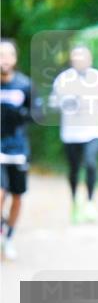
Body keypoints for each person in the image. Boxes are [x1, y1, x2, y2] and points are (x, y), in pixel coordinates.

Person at [49, 45, 98, 224]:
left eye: (83, 57)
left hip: (94, 129)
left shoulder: (97, 76)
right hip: (71, 132)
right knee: (74, 168)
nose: (80, 60)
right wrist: (68, 103)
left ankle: (90, 202)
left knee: (91, 163)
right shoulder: (63, 79)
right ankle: (75, 199)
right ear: (72, 60)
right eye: (76, 57)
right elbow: (53, 102)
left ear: (90, 60)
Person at [0, 39, 32, 260]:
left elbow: (35, 113)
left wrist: (21, 115)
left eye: (8, 55)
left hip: (18, 148)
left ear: (15, 58)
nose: (4, 60)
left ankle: (8, 237)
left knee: (17, 197)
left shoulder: (25, 85)